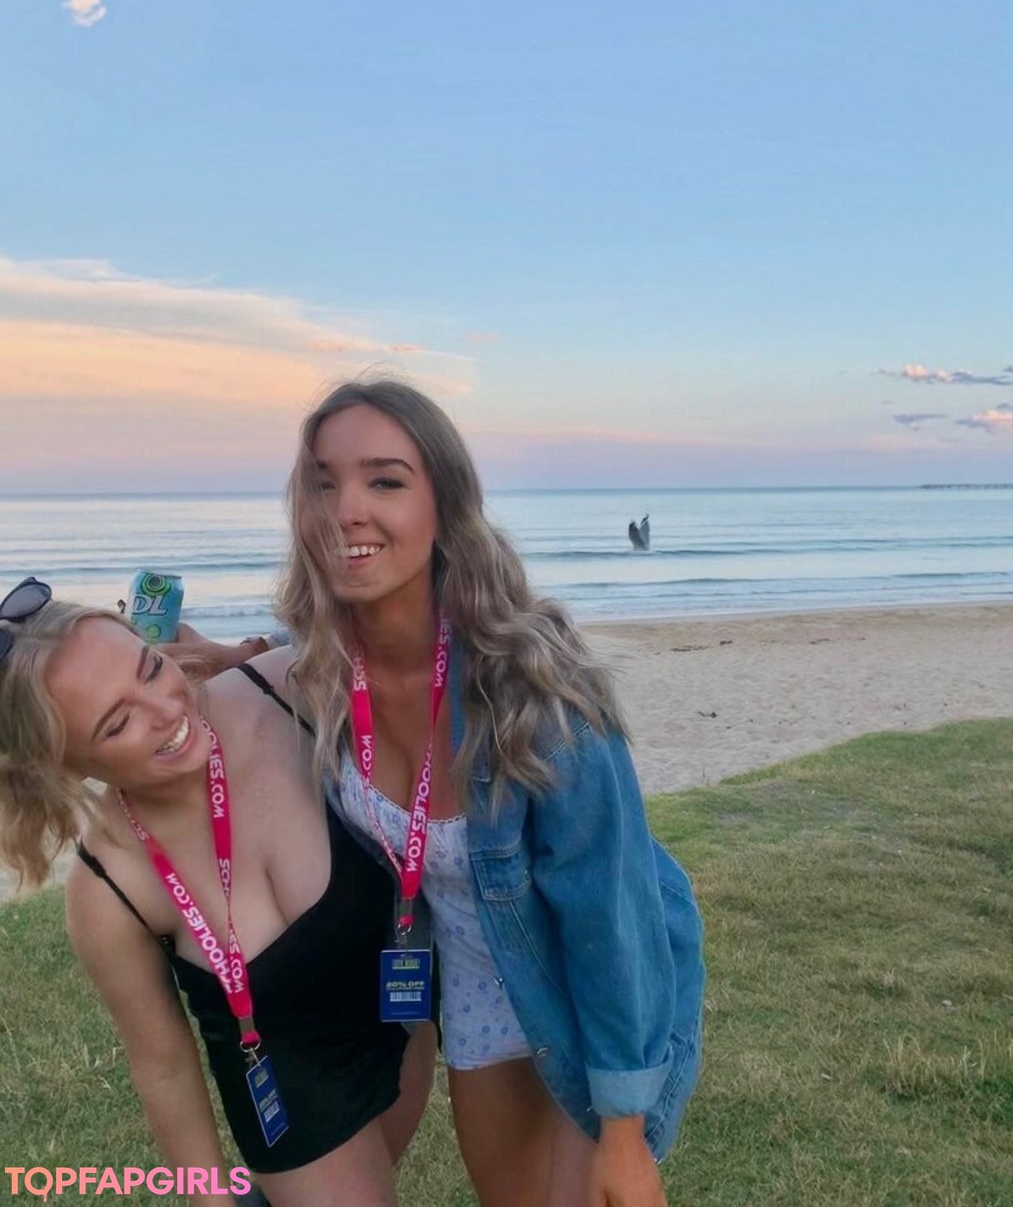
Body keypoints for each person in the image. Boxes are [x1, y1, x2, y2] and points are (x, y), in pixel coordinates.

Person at [268, 378, 705, 1207]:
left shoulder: (537, 689)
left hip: (582, 994)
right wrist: (213, 661)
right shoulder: (321, 672)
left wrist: (623, 1129)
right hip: (473, 989)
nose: (345, 510)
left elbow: (611, 915)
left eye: (385, 481)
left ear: (445, 505)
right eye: (323, 483)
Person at [0, 580, 435, 1207]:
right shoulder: (110, 889)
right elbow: (163, 1066)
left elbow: (424, 653)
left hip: (409, 1021)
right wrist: (209, 1199)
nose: (166, 711)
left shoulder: (285, 691)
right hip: (295, 1094)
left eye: (152, 669)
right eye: (118, 722)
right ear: (64, 764)